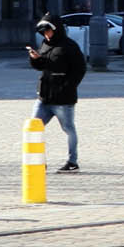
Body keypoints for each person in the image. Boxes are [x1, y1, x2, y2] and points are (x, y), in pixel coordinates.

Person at [28, 14, 88, 172]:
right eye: (43, 32)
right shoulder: (45, 44)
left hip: (63, 99)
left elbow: (80, 69)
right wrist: (35, 59)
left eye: (48, 31)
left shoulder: (69, 46)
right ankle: (38, 160)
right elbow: (43, 65)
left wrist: (67, 87)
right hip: (44, 96)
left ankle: (72, 162)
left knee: (69, 129)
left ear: (56, 29)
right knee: (34, 126)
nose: (46, 34)